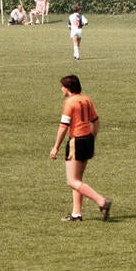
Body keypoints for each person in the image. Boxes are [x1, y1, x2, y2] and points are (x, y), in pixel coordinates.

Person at [48, 74, 111, 220]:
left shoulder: (70, 102)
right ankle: (77, 214)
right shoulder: (87, 100)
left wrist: (56, 146)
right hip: (88, 139)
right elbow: (95, 121)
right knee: (78, 179)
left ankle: (102, 201)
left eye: (63, 86)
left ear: (68, 88)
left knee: (72, 181)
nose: (61, 89)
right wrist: (92, 138)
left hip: (76, 141)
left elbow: (64, 126)